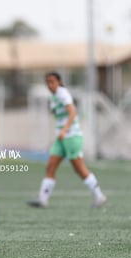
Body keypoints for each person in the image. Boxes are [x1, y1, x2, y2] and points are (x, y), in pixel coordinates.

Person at [28, 72, 107, 208]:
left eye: (52, 81)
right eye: (47, 82)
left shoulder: (62, 93)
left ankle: (99, 196)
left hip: (71, 136)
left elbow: (72, 112)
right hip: (61, 138)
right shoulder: (53, 97)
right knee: (50, 166)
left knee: (79, 169)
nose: (50, 85)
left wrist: (64, 130)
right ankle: (42, 199)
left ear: (59, 82)